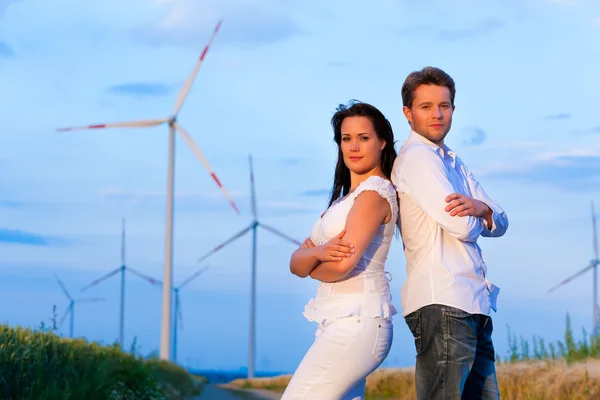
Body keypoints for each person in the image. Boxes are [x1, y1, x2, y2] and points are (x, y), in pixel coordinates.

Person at [391, 66, 509, 400]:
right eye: (426, 106)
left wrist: (482, 209)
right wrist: (478, 215)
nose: (437, 114)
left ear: (453, 109)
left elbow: (500, 220)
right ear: (408, 113)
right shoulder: (417, 159)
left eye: (444, 105)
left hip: (473, 304)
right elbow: (461, 225)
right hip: (443, 301)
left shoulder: (454, 162)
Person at [282, 100, 399, 399]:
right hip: (340, 322)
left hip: (358, 323)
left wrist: (310, 261)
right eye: (347, 139)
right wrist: (317, 255)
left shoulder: (374, 194)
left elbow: (342, 266)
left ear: (382, 142)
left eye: (364, 138)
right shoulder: (345, 201)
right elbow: (295, 262)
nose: (354, 147)